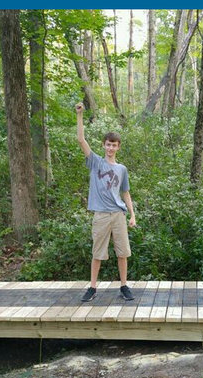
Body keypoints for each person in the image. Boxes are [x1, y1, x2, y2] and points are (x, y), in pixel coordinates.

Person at [75, 102, 136, 302]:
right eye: (108, 144)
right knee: (97, 253)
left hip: (118, 215)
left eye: (114, 145)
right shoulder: (95, 162)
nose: (110, 148)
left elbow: (125, 193)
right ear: (104, 145)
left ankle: (124, 285)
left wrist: (132, 214)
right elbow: (81, 139)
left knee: (123, 253)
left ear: (118, 147)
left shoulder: (122, 169)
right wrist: (80, 115)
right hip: (101, 215)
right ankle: (92, 288)